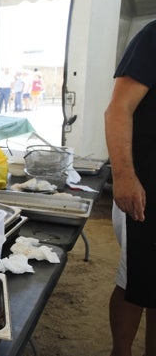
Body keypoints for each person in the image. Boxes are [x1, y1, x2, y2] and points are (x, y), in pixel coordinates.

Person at [104, 19, 156, 356]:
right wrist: (124, 176)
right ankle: (120, 352)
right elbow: (118, 108)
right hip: (145, 190)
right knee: (134, 281)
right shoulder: (153, 36)